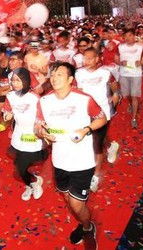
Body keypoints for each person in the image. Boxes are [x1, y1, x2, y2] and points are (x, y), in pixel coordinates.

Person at [35, 62, 106, 248]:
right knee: (68, 199)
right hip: (59, 162)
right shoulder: (44, 101)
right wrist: (42, 132)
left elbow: (102, 118)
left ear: (70, 79)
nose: (54, 78)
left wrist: (86, 130)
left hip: (82, 162)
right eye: (53, 74)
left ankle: (88, 227)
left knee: (75, 205)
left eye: (60, 74)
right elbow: (37, 126)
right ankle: (83, 219)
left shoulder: (84, 99)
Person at [75, 47, 120, 192]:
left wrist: (115, 97)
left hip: (102, 114)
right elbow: (79, 92)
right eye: (84, 58)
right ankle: (111, 145)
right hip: (85, 114)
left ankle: (95, 176)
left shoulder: (106, 73)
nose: (86, 61)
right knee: (91, 140)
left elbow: (115, 88)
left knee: (96, 145)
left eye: (89, 58)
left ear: (97, 59)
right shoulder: (79, 73)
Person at [2, 67, 46, 201]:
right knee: (20, 167)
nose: (15, 83)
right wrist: (6, 116)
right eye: (13, 80)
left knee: (21, 167)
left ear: (26, 81)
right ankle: (32, 183)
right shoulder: (10, 96)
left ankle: (33, 181)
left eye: (18, 80)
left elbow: (42, 118)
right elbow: (7, 113)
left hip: (33, 135)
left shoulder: (35, 98)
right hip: (18, 134)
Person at [115, 28, 143, 128]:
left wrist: (141, 62)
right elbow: (116, 58)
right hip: (124, 74)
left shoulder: (140, 46)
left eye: (130, 35)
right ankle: (131, 104)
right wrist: (120, 63)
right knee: (126, 95)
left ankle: (134, 118)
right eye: (125, 36)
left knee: (134, 96)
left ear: (134, 36)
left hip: (136, 74)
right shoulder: (120, 46)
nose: (127, 38)